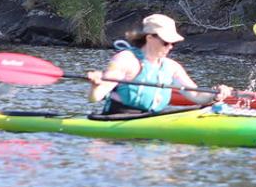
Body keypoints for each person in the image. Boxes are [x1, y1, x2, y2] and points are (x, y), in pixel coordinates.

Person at [87, 13, 233, 114]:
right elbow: (96, 97)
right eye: (166, 42)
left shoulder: (172, 67)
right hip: (116, 119)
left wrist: (215, 96)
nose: (170, 46)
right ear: (150, 38)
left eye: (172, 43)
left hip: (150, 119)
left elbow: (196, 96)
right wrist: (96, 85)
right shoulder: (126, 60)